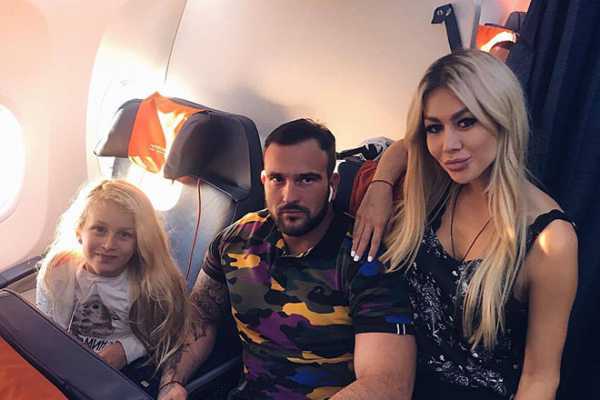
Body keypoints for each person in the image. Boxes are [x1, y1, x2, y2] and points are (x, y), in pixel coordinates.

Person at [352, 49, 578, 399]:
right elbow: (406, 145)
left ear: (502, 117)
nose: (448, 146)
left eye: (466, 122)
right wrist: (380, 185)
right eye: (435, 128)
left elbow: (540, 378)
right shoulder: (437, 187)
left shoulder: (549, 239)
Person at [158, 118, 416, 399]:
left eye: (306, 179)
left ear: (332, 183)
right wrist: (171, 383)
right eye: (277, 179)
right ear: (263, 181)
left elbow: (386, 383)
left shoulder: (364, 256)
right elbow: (200, 317)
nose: (289, 196)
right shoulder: (236, 241)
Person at [36, 179, 193, 393]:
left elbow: (163, 332)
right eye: (99, 230)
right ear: (79, 230)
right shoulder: (58, 271)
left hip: (120, 371)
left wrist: (125, 351)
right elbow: (46, 325)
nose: (109, 245)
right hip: (64, 363)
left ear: (140, 240)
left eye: (124, 234)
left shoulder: (150, 283)